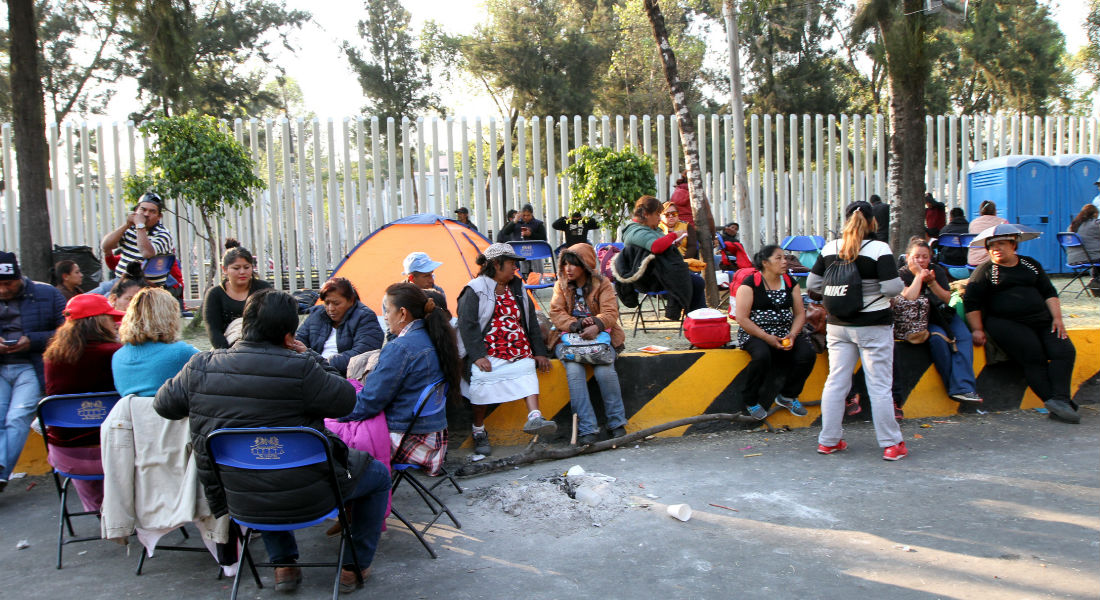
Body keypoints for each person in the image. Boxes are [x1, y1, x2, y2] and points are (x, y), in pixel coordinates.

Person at [155, 289, 390, 593]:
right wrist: (313, 357)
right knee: (378, 475)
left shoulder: (200, 366)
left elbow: (163, 405)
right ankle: (352, 566)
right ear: (289, 333)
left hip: (238, 495)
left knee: (257, 465)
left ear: (245, 323)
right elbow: (347, 401)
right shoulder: (302, 368)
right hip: (313, 493)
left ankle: (284, 564)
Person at [807, 201, 906, 460]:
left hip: (838, 326)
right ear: (873, 222)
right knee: (880, 386)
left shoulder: (830, 248)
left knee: (836, 382)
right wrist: (872, 291)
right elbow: (894, 288)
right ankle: (891, 443)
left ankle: (828, 441)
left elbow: (813, 284)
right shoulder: (878, 249)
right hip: (873, 324)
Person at [339, 283, 462, 474]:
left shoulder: (400, 348)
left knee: (330, 430)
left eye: (387, 311)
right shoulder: (436, 337)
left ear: (403, 313)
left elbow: (370, 402)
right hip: (434, 436)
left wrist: (337, 414)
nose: (386, 317)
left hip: (407, 439)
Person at [964, 227, 1078, 423]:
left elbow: (1049, 292)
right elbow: (971, 304)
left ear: (1013, 245)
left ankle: (1060, 400)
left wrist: (1057, 318)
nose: (996, 249)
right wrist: (977, 329)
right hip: (1006, 322)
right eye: (991, 246)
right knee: (1034, 355)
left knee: (1065, 351)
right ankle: (1053, 401)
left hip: (1042, 320)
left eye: (1001, 244)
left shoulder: (1030, 265)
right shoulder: (985, 271)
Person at [457, 243, 556, 456]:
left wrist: (539, 351)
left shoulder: (517, 287)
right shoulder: (474, 289)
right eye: (511, 263)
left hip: (518, 349)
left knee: (527, 366)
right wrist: (477, 356)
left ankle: (535, 417)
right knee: (480, 377)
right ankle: (478, 430)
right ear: (496, 264)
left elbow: (529, 321)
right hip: (487, 351)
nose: (515, 268)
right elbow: (467, 325)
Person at [42, 294, 125, 511]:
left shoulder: (52, 356)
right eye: (109, 317)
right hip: (116, 454)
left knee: (78, 423)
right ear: (98, 322)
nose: (114, 323)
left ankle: (98, 508)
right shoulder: (116, 354)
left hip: (66, 456)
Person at [549, 243, 627, 444]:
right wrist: (576, 325)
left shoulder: (603, 284)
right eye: (565, 264)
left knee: (605, 372)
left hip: (598, 339)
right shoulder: (561, 285)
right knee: (574, 372)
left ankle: (617, 424)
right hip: (569, 338)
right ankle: (587, 429)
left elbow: (610, 313)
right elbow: (556, 313)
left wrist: (597, 325)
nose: (568, 269)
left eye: (573, 264)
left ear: (585, 265)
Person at [0, 251, 65, 491]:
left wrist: (32, 340)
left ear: (19, 278)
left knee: (18, 417)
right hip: (2, 366)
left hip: (31, 364)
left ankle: (1, 472)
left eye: (8, 283)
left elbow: (68, 330)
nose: (4, 290)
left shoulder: (46, 293)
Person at [734, 245, 815, 420]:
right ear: (765, 263)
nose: (784, 261)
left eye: (784, 257)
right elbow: (742, 318)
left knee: (807, 354)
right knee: (762, 356)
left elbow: (800, 313)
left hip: (785, 333)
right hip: (755, 334)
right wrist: (766, 337)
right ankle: (750, 400)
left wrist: (793, 334)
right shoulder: (749, 285)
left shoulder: (790, 283)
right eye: (778, 258)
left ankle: (788, 395)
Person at [897, 238, 982, 404]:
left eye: (925, 256)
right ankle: (956, 387)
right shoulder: (902, 273)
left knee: (964, 337)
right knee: (938, 339)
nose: (921, 260)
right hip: (921, 320)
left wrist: (932, 282)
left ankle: (964, 387)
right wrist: (918, 276)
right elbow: (909, 296)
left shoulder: (937, 271)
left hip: (943, 314)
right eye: (917, 257)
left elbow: (946, 298)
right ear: (908, 257)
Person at [617, 195, 706, 320]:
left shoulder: (650, 228)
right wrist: (673, 236)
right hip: (648, 279)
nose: (660, 218)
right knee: (695, 282)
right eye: (658, 214)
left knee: (695, 282)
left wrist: (671, 244)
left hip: (661, 273)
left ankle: (697, 320)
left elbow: (659, 246)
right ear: (647, 214)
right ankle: (697, 321)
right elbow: (655, 247)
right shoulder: (635, 231)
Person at [111, 287, 199, 397]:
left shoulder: (118, 357)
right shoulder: (181, 353)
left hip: (133, 413)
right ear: (170, 316)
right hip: (173, 413)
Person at [296, 277, 383, 377]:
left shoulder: (365, 317)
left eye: (336, 303)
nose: (331, 308)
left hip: (345, 376)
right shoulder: (317, 314)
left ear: (351, 300)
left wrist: (320, 362)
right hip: (312, 370)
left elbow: (362, 355)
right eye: (327, 303)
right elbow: (298, 341)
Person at [203, 239, 272, 349]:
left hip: (262, 345)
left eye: (246, 267)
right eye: (236, 268)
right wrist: (226, 354)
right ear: (224, 269)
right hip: (226, 348)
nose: (242, 272)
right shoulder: (214, 294)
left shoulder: (263, 289)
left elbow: (274, 320)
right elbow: (213, 330)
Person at [100, 192, 175, 287]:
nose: (147, 214)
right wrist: (127, 225)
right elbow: (105, 246)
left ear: (159, 217)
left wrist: (140, 226)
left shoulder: (163, 234)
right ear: (136, 211)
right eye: (143, 210)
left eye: (152, 211)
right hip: (119, 281)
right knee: (86, 298)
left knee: (103, 301)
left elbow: (147, 253)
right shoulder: (130, 229)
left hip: (143, 286)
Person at [1067, 204, 1100, 292]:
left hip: (1073, 259)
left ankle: (1096, 281)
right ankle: (1096, 281)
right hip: (1090, 258)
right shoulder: (1096, 224)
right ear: (1095, 214)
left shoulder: (1073, 226)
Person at [968, 200, 1008, 267]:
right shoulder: (1003, 222)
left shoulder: (973, 223)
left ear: (981, 211)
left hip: (974, 262)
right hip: (996, 261)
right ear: (995, 211)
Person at [938, 207, 970, 273]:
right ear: (964, 217)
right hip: (966, 261)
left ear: (950, 218)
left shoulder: (945, 230)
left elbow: (940, 248)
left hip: (948, 261)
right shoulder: (970, 229)